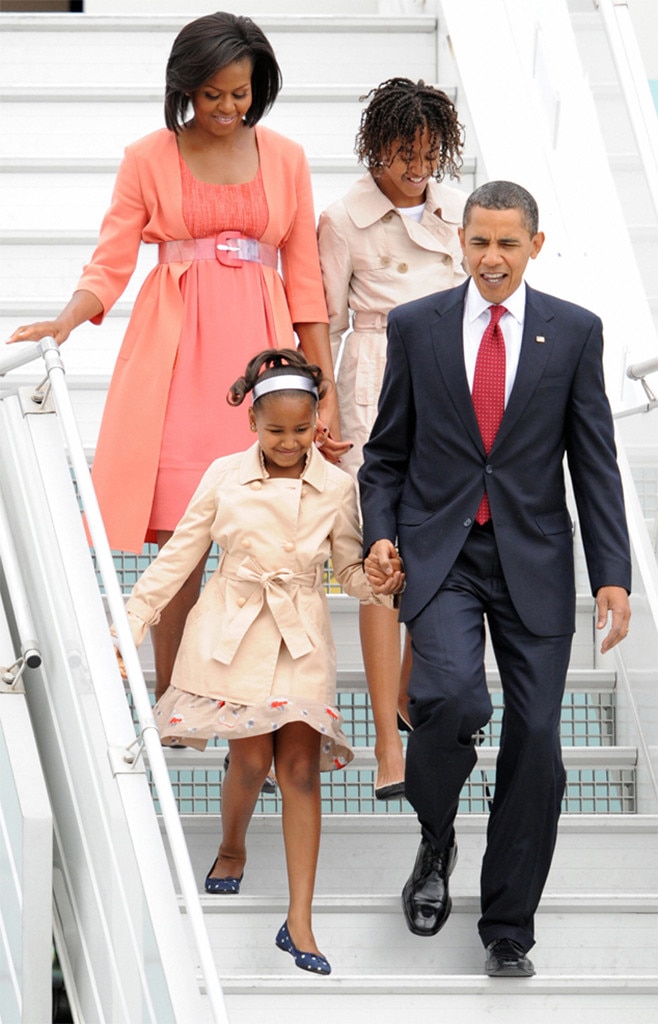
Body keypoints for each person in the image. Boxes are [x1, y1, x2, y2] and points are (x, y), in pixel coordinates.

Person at [7, 12, 346, 703]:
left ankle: (259, 700)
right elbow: (110, 263)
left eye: (241, 94)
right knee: (183, 540)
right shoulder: (147, 158)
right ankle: (176, 697)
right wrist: (68, 320)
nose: (227, 108)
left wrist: (325, 385)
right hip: (179, 356)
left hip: (264, 356)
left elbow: (306, 281)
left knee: (268, 533)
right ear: (185, 86)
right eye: (213, 93)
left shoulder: (287, 158)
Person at [359, 181, 632, 976]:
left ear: (534, 247)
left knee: (539, 741)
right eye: (479, 242)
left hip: (535, 559)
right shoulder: (417, 326)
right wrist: (381, 534)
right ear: (461, 243)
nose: (492, 258)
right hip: (443, 554)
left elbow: (595, 463)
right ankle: (437, 834)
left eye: (508, 244)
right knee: (450, 699)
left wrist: (611, 574)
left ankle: (509, 926)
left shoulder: (575, 332)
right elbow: (385, 457)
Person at [114, 349, 387, 976]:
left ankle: (300, 922)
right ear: (253, 425)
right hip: (231, 632)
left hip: (302, 638)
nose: (289, 443)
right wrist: (128, 625)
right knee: (252, 757)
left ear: (318, 421)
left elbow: (348, 572)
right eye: (275, 431)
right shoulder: (223, 475)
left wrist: (376, 580)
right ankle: (232, 846)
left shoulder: (339, 486)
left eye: (301, 429)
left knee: (298, 766)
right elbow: (179, 556)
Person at [317, 77, 467, 800]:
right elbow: (326, 321)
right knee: (382, 560)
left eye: (429, 155)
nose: (416, 168)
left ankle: (409, 694)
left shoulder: (456, 215)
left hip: (453, 391)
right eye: (404, 153)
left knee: (436, 554)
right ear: (375, 146)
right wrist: (330, 417)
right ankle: (384, 743)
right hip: (376, 386)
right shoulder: (344, 218)